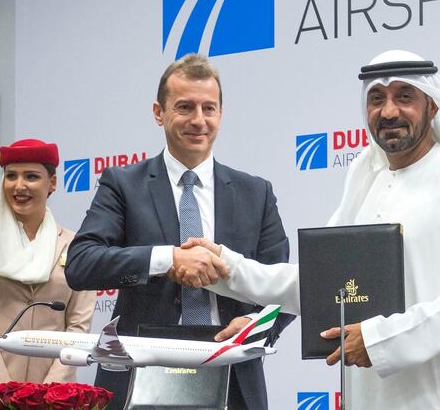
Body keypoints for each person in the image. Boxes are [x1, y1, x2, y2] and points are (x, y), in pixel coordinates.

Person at [182, 50, 440, 410]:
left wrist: (381, 340)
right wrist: (230, 268)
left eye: (404, 96)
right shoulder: (365, 177)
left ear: (432, 107)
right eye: (376, 98)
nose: (388, 112)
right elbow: (322, 283)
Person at [64, 54, 294, 410]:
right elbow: (80, 264)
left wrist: (252, 322)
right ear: (159, 112)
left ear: (221, 113)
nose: (198, 120)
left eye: (209, 108)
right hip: (140, 371)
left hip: (232, 371)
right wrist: (166, 258)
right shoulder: (123, 184)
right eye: (185, 107)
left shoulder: (256, 193)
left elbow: (284, 288)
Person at [0, 139, 95, 385]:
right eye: (11, 176)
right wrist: (6, 389)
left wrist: (49, 391)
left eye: (31, 177)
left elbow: (78, 327)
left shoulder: (77, 245)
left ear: (52, 184)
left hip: (52, 393)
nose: (19, 186)